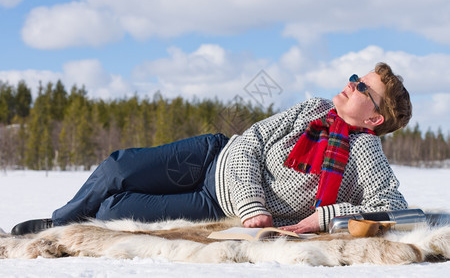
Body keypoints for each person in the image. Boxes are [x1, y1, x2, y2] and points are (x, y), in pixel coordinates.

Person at [11, 62, 412, 236]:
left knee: (115, 211)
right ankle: (57, 223)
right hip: (211, 155)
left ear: (376, 119)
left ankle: (83, 221)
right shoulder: (314, 109)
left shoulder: (364, 153)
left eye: (363, 88)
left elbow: (392, 207)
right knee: (117, 168)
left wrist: (322, 218)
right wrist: (254, 205)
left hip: (214, 204)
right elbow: (251, 141)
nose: (351, 83)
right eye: (355, 77)